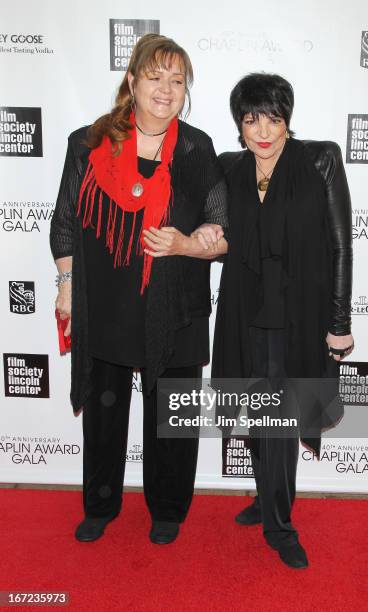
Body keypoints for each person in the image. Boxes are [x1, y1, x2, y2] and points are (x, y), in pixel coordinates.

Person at [50, 34, 227, 545]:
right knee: (104, 411)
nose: (166, 90)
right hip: (107, 302)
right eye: (155, 77)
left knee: (172, 412)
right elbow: (65, 225)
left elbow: (221, 233)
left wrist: (187, 244)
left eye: (177, 80)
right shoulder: (87, 143)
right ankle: (100, 504)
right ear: (131, 81)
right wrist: (66, 285)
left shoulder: (197, 149)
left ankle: (168, 508)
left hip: (176, 305)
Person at [210, 73, 354, 569]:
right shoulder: (229, 168)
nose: (263, 130)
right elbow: (213, 224)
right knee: (257, 412)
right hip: (242, 312)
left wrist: (340, 322)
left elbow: (340, 245)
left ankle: (280, 525)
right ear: (239, 125)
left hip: (294, 315)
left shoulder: (321, 159)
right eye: (251, 119)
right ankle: (265, 496)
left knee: (278, 417)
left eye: (272, 118)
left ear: (287, 119)